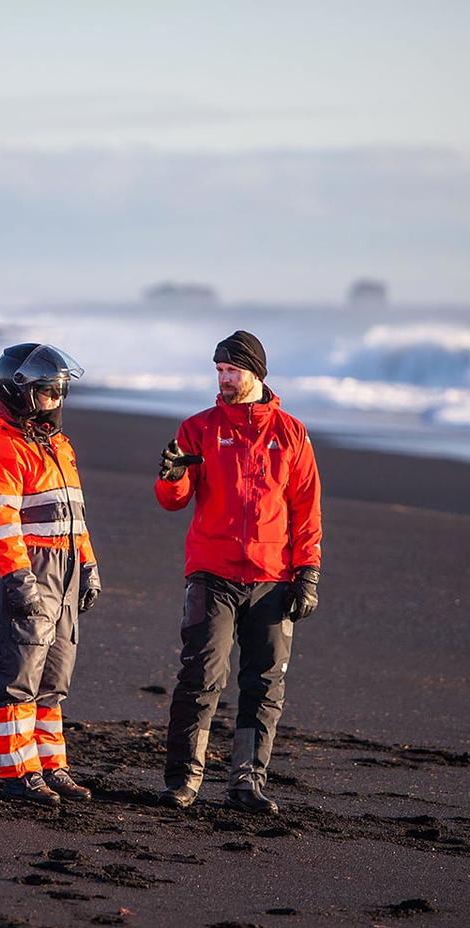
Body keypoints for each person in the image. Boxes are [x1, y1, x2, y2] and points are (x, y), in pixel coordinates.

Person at [154, 330, 322, 815]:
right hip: (212, 572)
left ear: (256, 374)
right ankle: (183, 780)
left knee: (264, 682)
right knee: (201, 676)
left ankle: (246, 783)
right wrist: (171, 475)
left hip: (273, 578)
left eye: (233, 371)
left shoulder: (291, 433)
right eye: (220, 371)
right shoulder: (198, 428)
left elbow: (307, 511)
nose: (225, 379)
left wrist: (307, 572)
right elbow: (173, 501)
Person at [0, 343, 100, 807]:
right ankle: (17, 772)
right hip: (23, 570)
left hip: (62, 569)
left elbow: (75, 517)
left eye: (59, 393)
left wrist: (88, 563)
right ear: (20, 393)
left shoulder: (60, 448)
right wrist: (20, 580)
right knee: (18, 677)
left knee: (53, 680)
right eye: (46, 393)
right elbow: (0, 527)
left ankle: (49, 765)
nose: (55, 403)